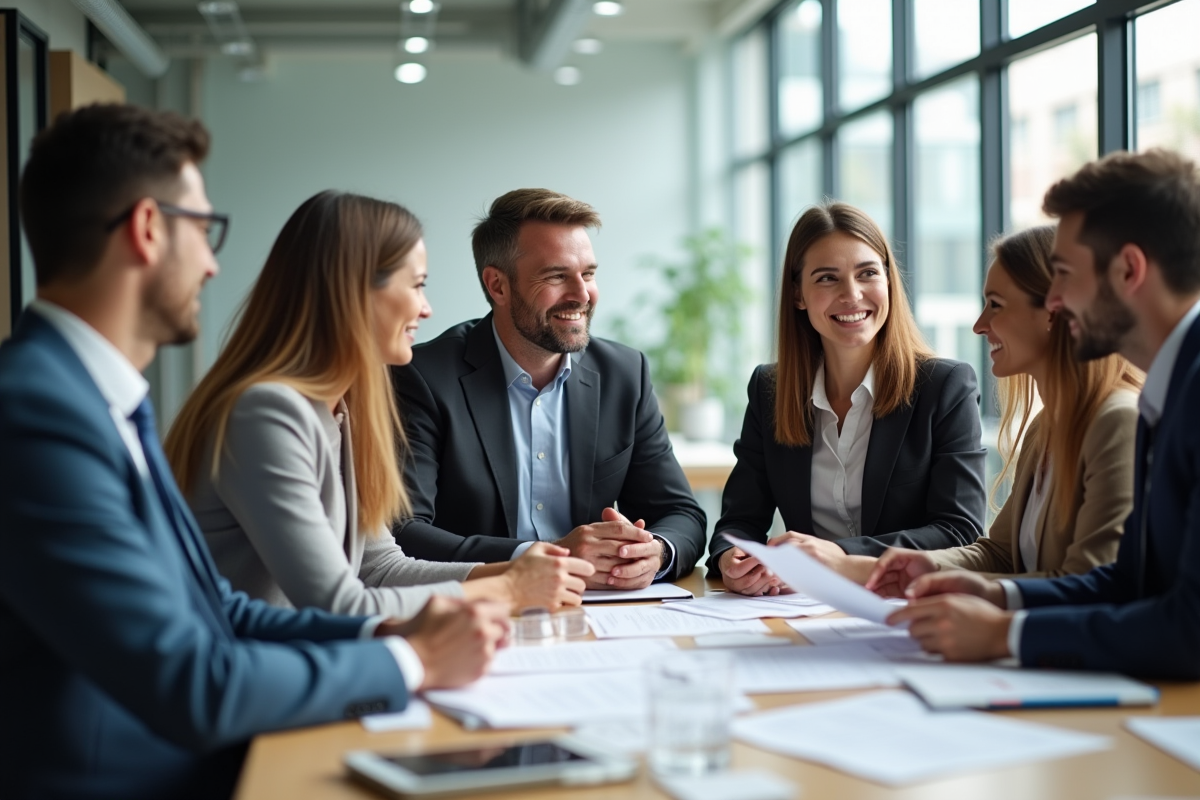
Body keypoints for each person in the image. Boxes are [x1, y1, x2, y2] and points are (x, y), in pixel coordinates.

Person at [0, 104, 507, 800]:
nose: (213, 264)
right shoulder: (37, 413)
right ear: (149, 230)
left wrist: (386, 635)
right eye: (204, 230)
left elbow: (219, 610)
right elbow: (190, 683)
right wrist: (409, 661)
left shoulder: (100, 397)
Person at [165, 191, 594, 621]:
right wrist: (508, 588)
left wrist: (533, 570)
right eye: (417, 285)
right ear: (351, 293)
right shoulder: (267, 414)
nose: (426, 309)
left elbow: (380, 568)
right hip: (256, 675)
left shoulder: (341, 410)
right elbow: (339, 604)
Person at [887, 148, 1200, 679]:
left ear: (1129, 270)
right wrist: (998, 595)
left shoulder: (1176, 399)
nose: (1054, 299)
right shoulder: (1169, 394)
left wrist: (1003, 633)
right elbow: (1128, 582)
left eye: (1063, 273)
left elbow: (1189, 626)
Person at [391, 188, 707, 590]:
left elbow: (681, 513)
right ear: (498, 286)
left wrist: (655, 552)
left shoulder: (624, 374)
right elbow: (403, 532)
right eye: (557, 276)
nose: (582, 295)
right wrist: (546, 556)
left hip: (601, 612)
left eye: (589, 274)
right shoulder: (422, 377)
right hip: (481, 607)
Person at [707, 201, 987, 594]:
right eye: (826, 278)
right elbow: (738, 522)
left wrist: (837, 556)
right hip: (797, 610)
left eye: (868, 273)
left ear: (888, 281)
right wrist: (730, 559)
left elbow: (960, 531)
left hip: (905, 607)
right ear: (798, 295)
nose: (852, 295)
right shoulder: (770, 390)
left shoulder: (946, 386)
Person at [866, 226, 1142, 597]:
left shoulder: (1119, 422)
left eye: (995, 304)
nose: (980, 325)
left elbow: (1092, 584)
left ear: (1054, 310)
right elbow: (1001, 553)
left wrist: (984, 593)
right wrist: (929, 566)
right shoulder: (1045, 427)